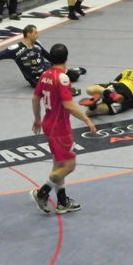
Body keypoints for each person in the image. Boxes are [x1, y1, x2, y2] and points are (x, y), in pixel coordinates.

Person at [30, 43, 97, 214]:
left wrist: (37, 118)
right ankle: (42, 192)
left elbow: (35, 98)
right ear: (66, 58)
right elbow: (69, 105)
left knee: (59, 164)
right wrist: (87, 120)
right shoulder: (62, 78)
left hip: (48, 123)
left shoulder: (45, 75)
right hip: (60, 127)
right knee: (69, 165)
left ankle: (62, 202)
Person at [0, 24, 86, 90]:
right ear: (28, 34)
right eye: (35, 33)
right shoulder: (15, 49)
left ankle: (72, 71)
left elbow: (48, 56)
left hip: (47, 69)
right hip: (36, 79)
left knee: (74, 75)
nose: (37, 35)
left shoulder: (37, 44)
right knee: (57, 84)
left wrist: (62, 67)